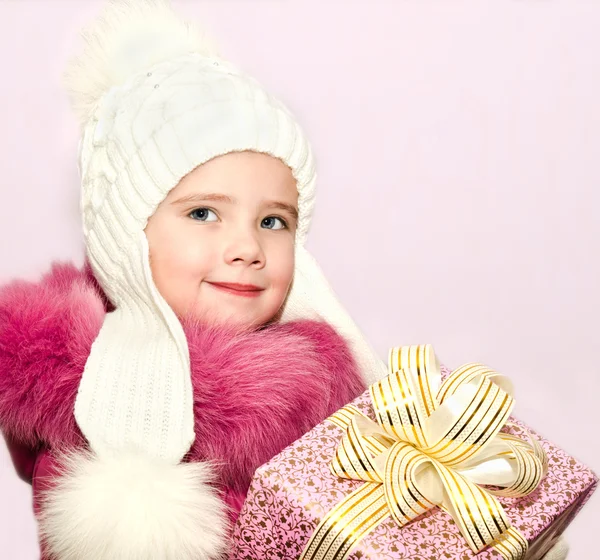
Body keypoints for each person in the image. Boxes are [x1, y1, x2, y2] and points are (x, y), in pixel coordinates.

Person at [0, 1, 569, 558]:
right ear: (126, 236)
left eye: (273, 221)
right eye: (203, 213)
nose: (247, 247)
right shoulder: (104, 411)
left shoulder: (332, 397)